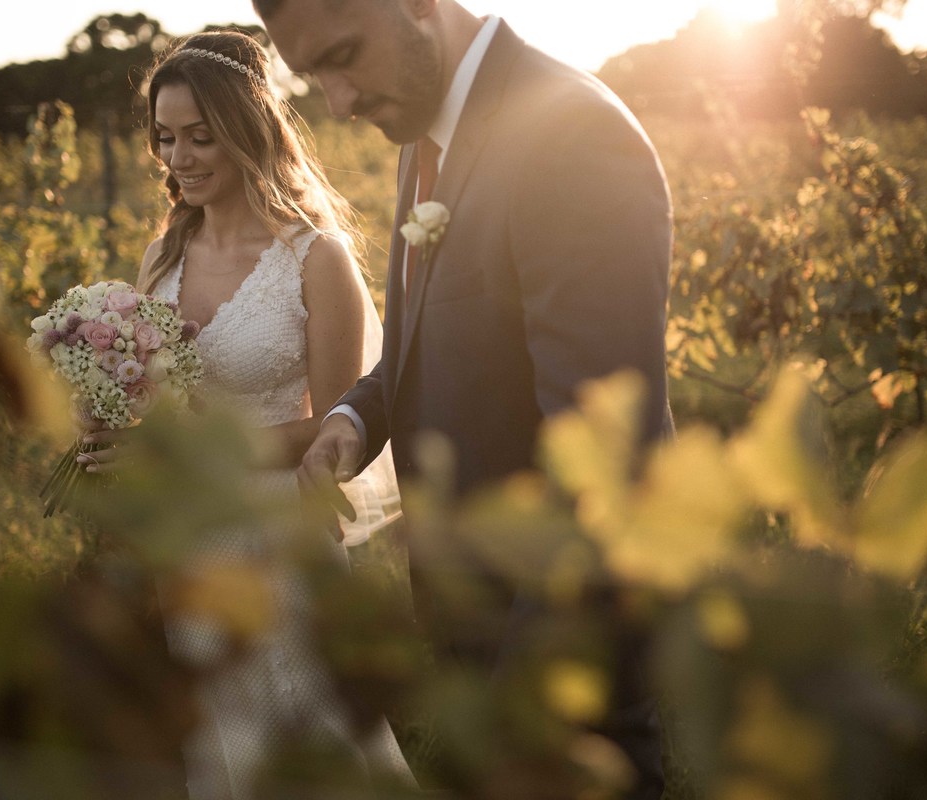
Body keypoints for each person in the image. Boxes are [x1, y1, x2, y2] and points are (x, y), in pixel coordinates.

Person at [254, 2, 674, 798]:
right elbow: (432, 334)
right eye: (314, 77)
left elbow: (604, 463)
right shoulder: (424, 135)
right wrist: (354, 418)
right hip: (478, 630)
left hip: (558, 648)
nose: (337, 102)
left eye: (344, 56)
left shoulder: (569, 136)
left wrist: (512, 704)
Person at [82, 30, 412, 799]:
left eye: (201, 136)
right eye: (165, 138)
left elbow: (337, 426)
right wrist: (108, 428)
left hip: (279, 533)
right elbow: (154, 404)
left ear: (248, 131)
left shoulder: (314, 258)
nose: (180, 157)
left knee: (311, 730)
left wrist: (189, 458)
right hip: (189, 535)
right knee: (222, 736)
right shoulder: (161, 255)